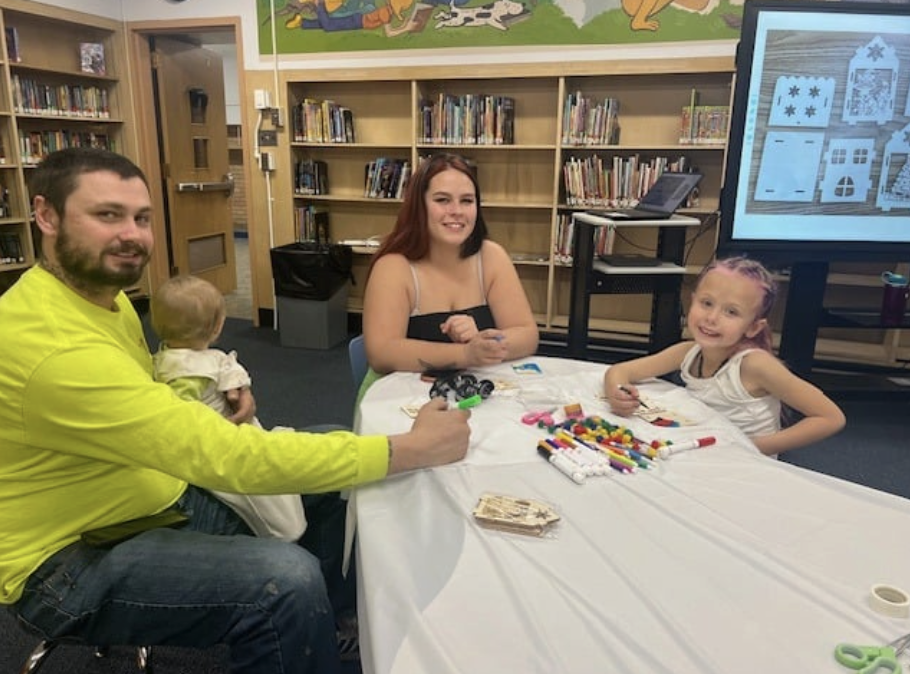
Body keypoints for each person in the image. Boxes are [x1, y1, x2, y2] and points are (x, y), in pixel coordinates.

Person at [0, 147, 470, 674]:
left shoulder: (101, 302)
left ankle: (333, 630)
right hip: (68, 560)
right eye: (107, 215)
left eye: (142, 218)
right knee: (283, 580)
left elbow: (150, 393)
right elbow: (228, 455)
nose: (131, 234)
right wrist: (408, 449)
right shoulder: (53, 347)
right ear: (45, 215)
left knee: (330, 463)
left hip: (152, 493)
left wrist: (206, 397)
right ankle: (298, 626)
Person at [604, 256, 846, 456]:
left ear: (753, 327)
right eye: (707, 303)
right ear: (692, 301)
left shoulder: (754, 365)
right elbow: (621, 371)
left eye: (731, 312)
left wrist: (750, 447)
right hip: (704, 449)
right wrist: (618, 393)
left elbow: (830, 417)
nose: (712, 318)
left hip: (744, 466)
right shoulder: (688, 352)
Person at [150, 274, 306, 542]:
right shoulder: (193, 371)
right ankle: (286, 533)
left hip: (218, 438)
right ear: (217, 328)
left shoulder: (161, 359)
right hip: (224, 443)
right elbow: (184, 413)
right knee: (271, 499)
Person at [361, 152, 539, 386]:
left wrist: (486, 341)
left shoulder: (492, 257)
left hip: (472, 391)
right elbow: (381, 353)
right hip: (402, 400)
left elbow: (527, 335)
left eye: (466, 200)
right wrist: (465, 354)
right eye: (442, 200)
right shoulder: (393, 267)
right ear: (419, 206)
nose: (456, 211)